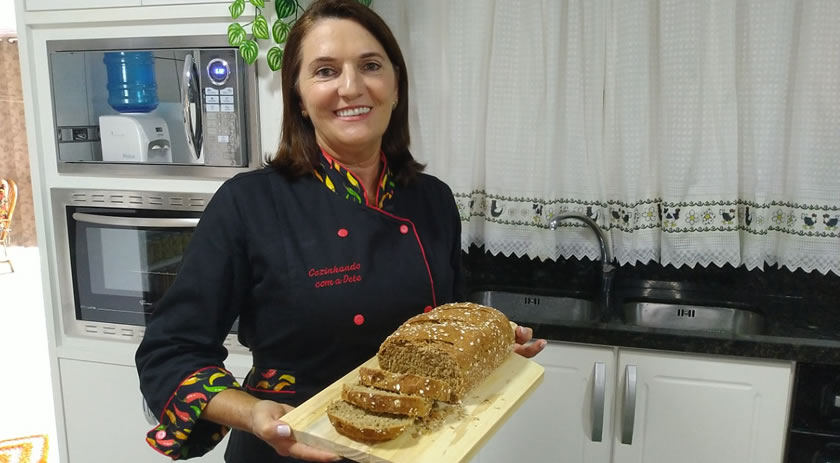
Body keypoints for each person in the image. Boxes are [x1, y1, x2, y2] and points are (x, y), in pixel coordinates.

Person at [135, 0, 546, 461]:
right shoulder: (249, 203)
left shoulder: (432, 199)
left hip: (417, 445)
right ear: (299, 99)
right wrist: (253, 414)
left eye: (370, 66)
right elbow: (169, 353)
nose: (351, 87)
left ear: (394, 86)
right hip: (290, 444)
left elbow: (443, 320)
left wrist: (484, 342)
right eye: (326, 71)